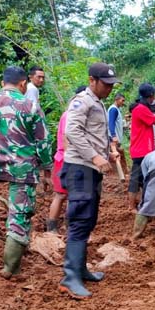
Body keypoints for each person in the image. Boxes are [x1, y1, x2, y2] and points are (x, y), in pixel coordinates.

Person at [0, 66, 52, 279]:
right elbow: (43, 142)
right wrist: (47, 169)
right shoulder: (31, 105)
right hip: (22, 168)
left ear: (2, 82)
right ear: (24, 83)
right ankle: (10, 268)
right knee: (19, 215)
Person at [59, 62, 121, 299]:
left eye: (112, 85)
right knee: (80, 219)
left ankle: (80, 269)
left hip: (90, 168)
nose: (110, 89)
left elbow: (94, 133)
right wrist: (95, 156)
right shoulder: (81, 101)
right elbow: (72, 132)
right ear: (92, 80)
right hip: (80, 168)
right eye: (106, 84)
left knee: (88, 219)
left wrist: (108, 151)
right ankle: (69, 277)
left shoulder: (98, 103)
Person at [46, 86, 86, 233]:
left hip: (67, 158)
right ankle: (54, 228)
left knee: (68, 196)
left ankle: (64, 227)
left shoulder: (72, 114)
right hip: (67, 159)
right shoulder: (71, 115)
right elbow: (66, 138)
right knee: (63, 195)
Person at [128, 83, 155, 210]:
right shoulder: (141, 109)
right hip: (141, 150)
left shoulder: (140, 109)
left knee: (145, 179)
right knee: (137, 179)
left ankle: (145, 204)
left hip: (142, 150)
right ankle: (132, 207)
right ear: (151, 97)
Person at [107, 92, 128, 179]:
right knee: (116, 155)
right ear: (117, 99)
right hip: (113, 139)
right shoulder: (113, 109)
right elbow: (111, 123)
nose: (123, 102)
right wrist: (113, 135)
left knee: (119, 154)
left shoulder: (116, 110)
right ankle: (119, 176)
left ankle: (121, 173)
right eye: (122, 100)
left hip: (115, 138)